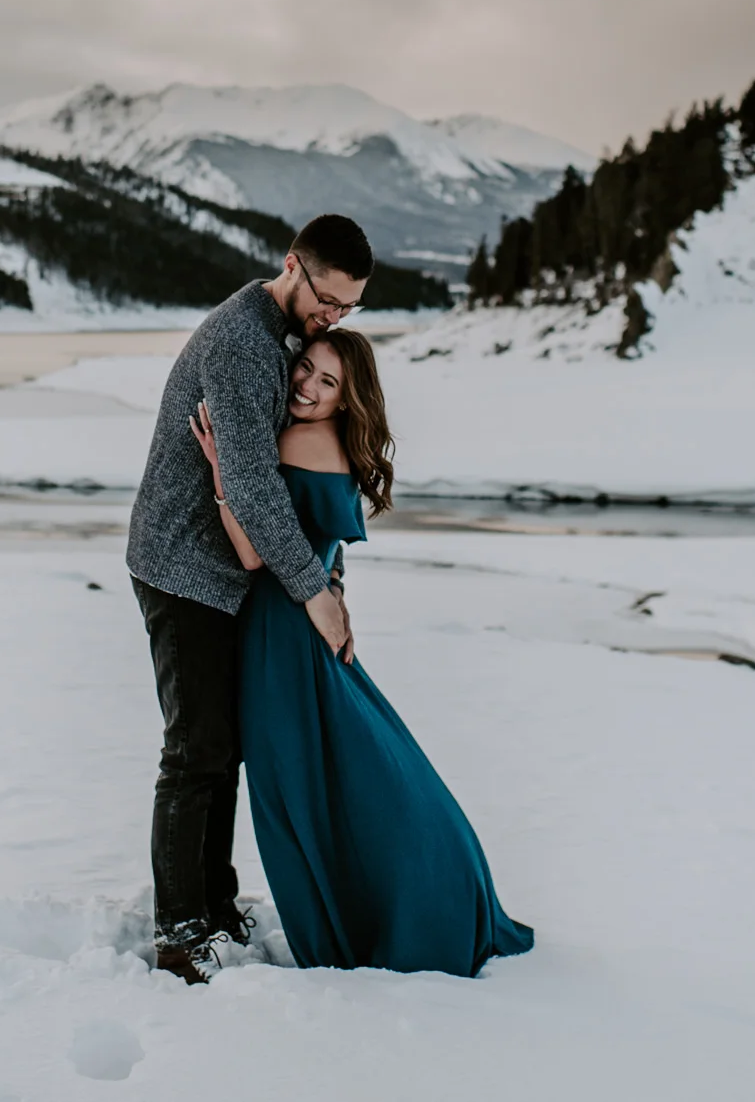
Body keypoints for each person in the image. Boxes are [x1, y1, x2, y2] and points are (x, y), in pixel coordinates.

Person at [192, 326, 534, 978]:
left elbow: (251, 552)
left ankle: (380, 914)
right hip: (297, 628)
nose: (309, 387)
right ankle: (415, 897)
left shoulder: (301, 438)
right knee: (348, 771)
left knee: (303, 782)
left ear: (349, 399)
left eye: (329, 382)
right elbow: (325, 548)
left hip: (282, 634)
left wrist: (221, 472)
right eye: (307, 370)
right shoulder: (329, 442)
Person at [126, 214, 369, 984]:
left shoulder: (283, 337)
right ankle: (179, 930)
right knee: (195, 747)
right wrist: (315, 594)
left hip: (225, 569)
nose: (332, 317)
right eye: (327, 298)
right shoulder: (242, 341)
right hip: (182, 565)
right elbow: (258, 490)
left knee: (221, 744)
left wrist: (324, 576)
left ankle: (218, 900)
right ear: (291, 265)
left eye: (347, 309)